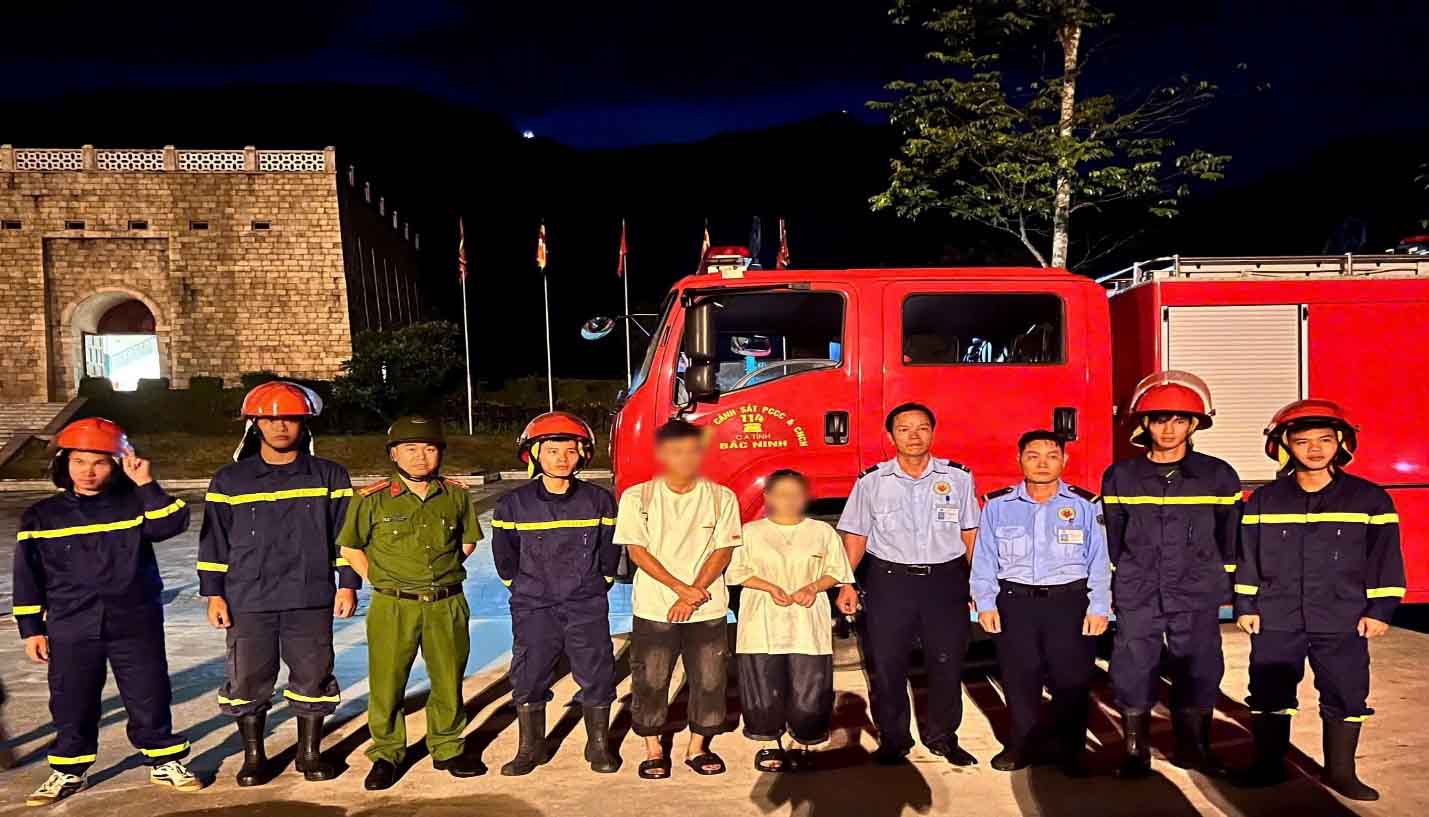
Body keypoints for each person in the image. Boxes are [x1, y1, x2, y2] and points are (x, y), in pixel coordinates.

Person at [12, 418, 201, 806]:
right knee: (71, 698)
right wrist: (31, 627)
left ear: (116, 464)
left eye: (100, 462)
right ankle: (68, 769)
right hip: (70, 623)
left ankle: (163, 760)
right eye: (79, 461)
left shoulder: (133, 503)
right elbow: (27, 575)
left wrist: (145, 483)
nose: (88, 471)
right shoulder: (41, 516)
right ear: (63, 463)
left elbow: (172, 523)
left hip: (134, 619)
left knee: (148, 693)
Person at [1233, 399, 1404, 801]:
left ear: (1341, 443)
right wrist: (1245, 605)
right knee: (1270, 690)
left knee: (1346, 692)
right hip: (1277, 615)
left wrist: (1380, 610)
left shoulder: (1370, 499)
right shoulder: (1263, 501)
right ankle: (1268, 766)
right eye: (1303, 441)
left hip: (1342, 616)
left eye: (1325, 440)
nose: (1314, 449)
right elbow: (1248, 556)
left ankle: (1341, 774)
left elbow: (1385, 558)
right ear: (1285, 446)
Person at [198, 381, 359, 786]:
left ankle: (310, 754)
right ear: (254, 424)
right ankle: (254, 757)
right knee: (248, 679)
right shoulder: (230, 479)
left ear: (305, 424)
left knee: (313, 675)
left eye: (289, 418)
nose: (280, 427)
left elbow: (346, 537)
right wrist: (213, 593)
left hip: (310, 595)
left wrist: (348, 584)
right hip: (247, 599)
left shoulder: (329, 475)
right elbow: (214, 540)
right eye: (270, 419)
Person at [1100, 370, 1241, 777]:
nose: (1169, 428)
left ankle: (1194, 748)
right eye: (1160, 419)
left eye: (1180, 419)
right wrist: (1119, 582)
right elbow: (1115, 539)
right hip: (1138, 590)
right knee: (1132, 665)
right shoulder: (1120, 477)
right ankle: (1134, 752)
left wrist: (1227, 586)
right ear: (1144, 424)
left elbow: (1229, 539)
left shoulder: (1219, 475)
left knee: (1199, 667)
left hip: (1196, 590)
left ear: (1195, 424)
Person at [337, 416, 485, 790]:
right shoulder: (371, 499)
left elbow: (466, 542)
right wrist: (382, 578)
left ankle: (448, 746)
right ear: (394, 455)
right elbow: (350, 547)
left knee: (448, 679)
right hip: (393, 605)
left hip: (446, 603)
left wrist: (441, 574)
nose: (421, 457)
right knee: (388, 682)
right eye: (411, 449)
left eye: (430, 449)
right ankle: (387, 752)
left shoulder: (456, 495)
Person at [835, 402, 981, 766]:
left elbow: (970, 534)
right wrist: (846, 584)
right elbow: (856, 535)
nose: (913, 436)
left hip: (944, 582)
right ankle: (893, 739)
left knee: (946, 663)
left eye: (921, 428)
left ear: (933, 432)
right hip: (890, 582)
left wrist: (978, 583)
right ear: (890, 436)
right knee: (887, 666)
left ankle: (944, 736)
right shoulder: (872, 482)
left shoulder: (959, 478)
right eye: (904, 429)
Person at [971, 430, 1111, 775]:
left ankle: (1071, 749)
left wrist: (1099, 606)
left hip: (1070, 603)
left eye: (1052, 455)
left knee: (1071, 679)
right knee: (1020, 679)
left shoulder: (1084, 505)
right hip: (1016, 603)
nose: (1043, 462)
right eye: (1033, 455)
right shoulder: (998, 506)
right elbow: (984, 559)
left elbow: (1099, 559)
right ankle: (1022, 745)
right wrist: (985, 603)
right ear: (1018, 460)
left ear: (1065, 460)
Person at [491, 411, 621, 776]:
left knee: (596, 672)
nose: (562, 458)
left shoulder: (599, 501)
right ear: (533, 455)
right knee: (529, 674)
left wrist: (597, 586)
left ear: (583, 455)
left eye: (570, 450)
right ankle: (530, 748)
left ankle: (598, 746)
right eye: (551, 450)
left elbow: (609, 552)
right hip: (534, 606)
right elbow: (505, 558)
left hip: (586, 604)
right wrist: (523, 590)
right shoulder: (512, 504)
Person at [613, 419, 741, 779]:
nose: (683, 458)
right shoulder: (639, 497)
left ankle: (697, 747)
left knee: (710, 679)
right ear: (661, 453)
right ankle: (653, 747)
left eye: (691, 450)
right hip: (656, 606)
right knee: (651, 678)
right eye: (675, 450)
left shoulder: (721, 497)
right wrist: (681, 589)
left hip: (708, 606)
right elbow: (637, 552)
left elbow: (724, 550)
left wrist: (694, 592)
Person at [727, 469, 854, 773]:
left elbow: (837, 570)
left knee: (808, 685)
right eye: (781, 493)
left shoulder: (821, 532)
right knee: (763, 683)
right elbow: (736, 572)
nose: (789, 500)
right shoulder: (750, 532)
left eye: (796, 493)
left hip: (807, 622)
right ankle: (768, 742)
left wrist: (813, 587)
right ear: (768, 497)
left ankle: (804, 741)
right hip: (761, 620)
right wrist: (769, 587)